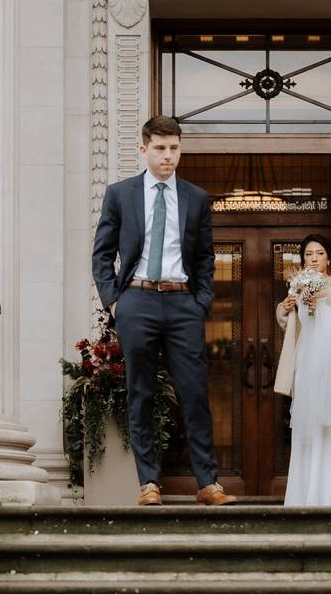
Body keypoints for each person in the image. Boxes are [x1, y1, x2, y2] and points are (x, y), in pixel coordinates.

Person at [91, 115, 236, 507]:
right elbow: (102, 255)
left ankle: (208, 483)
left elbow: (206, 257)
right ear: (144, 150)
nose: (168, 156)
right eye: (159, 148)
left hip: (182, 302)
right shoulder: (120, 194)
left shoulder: (196, 197)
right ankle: (149, 484)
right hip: (136, 300)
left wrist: (200, 301)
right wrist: (115, 302)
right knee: (141, 393)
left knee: (194, 393)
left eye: (174, 148)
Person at [274, 234, 331, 506]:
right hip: (304, 363)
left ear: (329, 257)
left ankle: (326, 490)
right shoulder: (297, 285)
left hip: (329, 364)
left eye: (319, 253)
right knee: (303, 422)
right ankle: (301, 493)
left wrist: (321, 309)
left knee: (325, 421)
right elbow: (291, 326)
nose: (313, 258)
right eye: (308, 254)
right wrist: (285, 307)